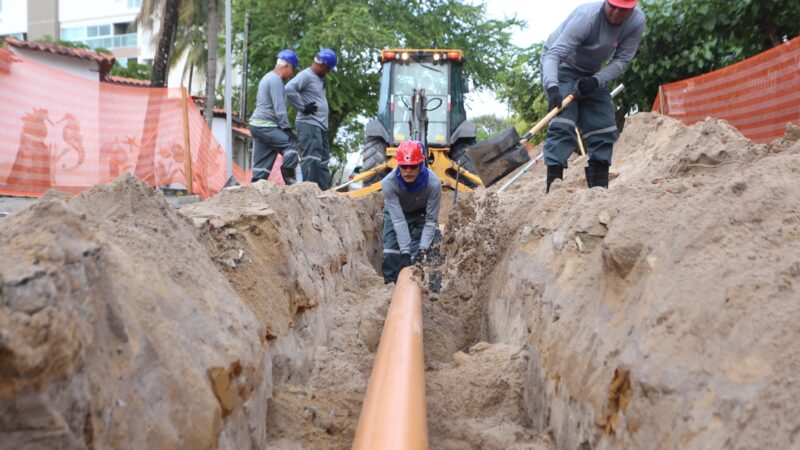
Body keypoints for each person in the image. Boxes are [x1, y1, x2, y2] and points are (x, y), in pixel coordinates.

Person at [541, 0, 646, 192]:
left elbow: (622, 60)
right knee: (563, 124)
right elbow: (553, 55)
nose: (616, 12)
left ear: (632, 7)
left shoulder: (637, 22)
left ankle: (599, 192)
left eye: (623, 9)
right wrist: (553, 88)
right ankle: (553, 191)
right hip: (561, 65)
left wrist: (596, 80)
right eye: (612, 5)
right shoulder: (587, 17)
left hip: (592, 73)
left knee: (603, 127)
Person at [380, 141, 442, 284]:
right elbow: (398, 221)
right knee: (391, 254)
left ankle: (435, 291)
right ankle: (391, 287)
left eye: (413, 166)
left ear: (421, 165)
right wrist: (406, 253)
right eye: (404, 166)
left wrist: (422, 250)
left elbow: (431, 221)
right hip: (397, 212)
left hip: (422, 213)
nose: (408, 170)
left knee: (434, 250)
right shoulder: (389, 183)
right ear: (398, 165)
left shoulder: (433, 184)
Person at [285, 48, 338, 190]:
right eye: (328, 68)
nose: (329, 72)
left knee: (323, 159)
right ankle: (310, 192)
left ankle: (323, 191)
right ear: (321, 65)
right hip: (309, 124)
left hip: (319, 126)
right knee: (312, 158)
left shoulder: (318, 79)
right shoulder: (306, 75)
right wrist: (302, 107)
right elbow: (289, 89)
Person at [249, 49, 301, 184]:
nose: (292, 74)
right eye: (293, 69)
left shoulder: (267, 77)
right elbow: (280, 109)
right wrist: (287, 129)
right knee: (291, 145)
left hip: (258, 126)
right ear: (287, 66)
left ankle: (255, 190)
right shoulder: (276, 80)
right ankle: (289, 179)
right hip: (266, 125)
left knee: (262, 164)